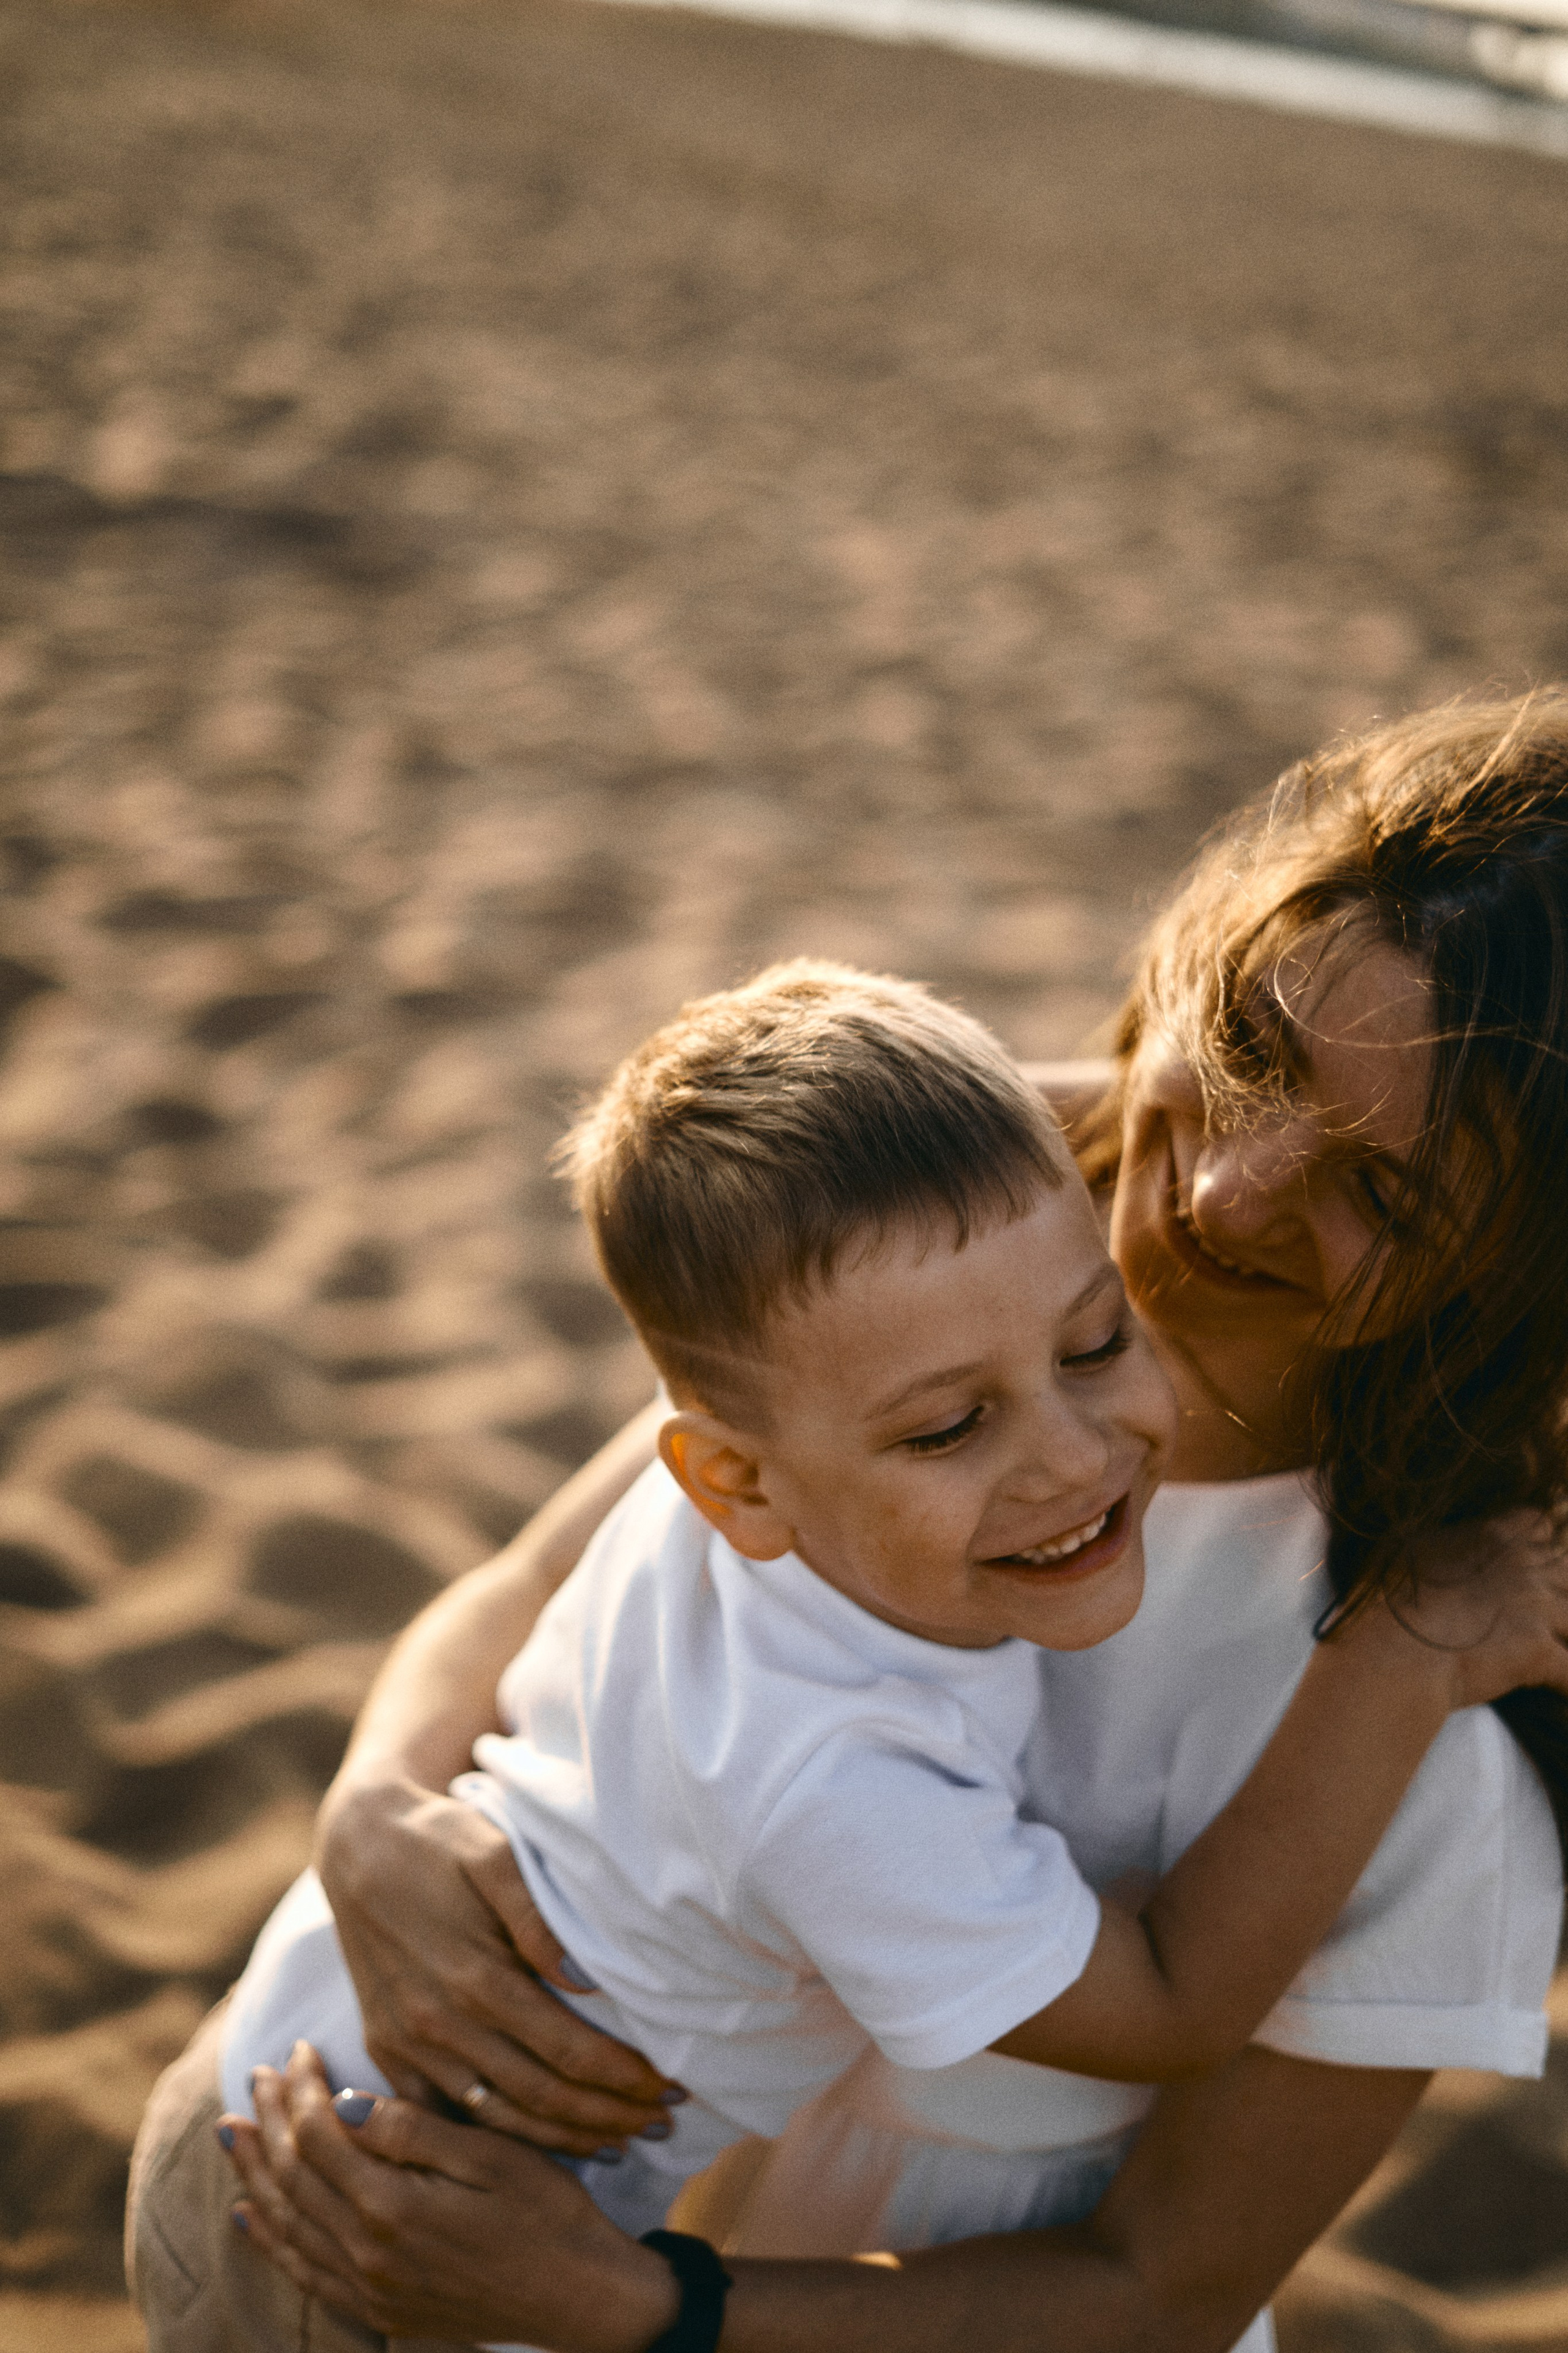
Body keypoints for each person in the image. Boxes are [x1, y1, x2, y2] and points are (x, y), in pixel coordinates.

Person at [131, 694, 1568, 2352]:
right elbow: (526, 1583)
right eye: (1251, 1055)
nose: (1217, 1191)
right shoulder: (945, 1251)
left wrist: (638, 2305)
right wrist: (376, 1810)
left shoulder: (1443, 1682)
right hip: (365, 2187)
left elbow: (1165, 2287)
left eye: (1380, 1189)